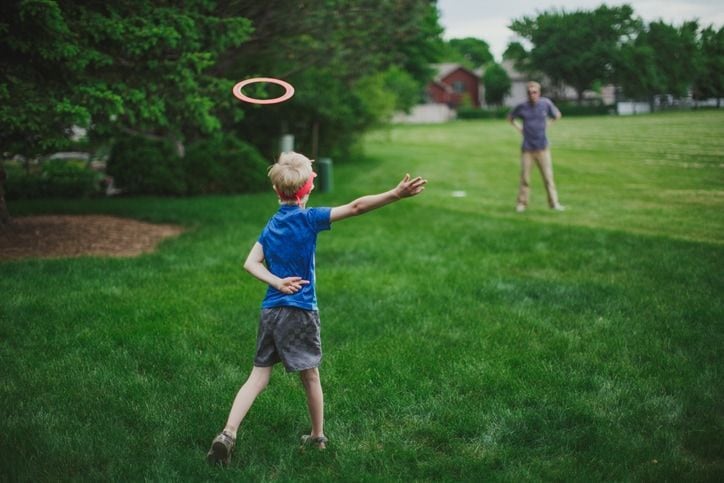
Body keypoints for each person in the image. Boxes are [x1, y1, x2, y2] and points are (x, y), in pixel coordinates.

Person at [207, 151, 427, 466]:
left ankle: (228, 433)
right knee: (310, 376)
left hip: (271, 310)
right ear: (308, 189)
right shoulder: (309, 219)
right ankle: (317, 436)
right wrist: (395, 194)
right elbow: (355, 207)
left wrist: (277, 282)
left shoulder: (272, 225)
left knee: (257, 376)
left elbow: (250, 263)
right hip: (299, 311)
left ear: (275, 191)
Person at [507, 81, 565, 212]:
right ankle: (522, 204)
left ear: (539, 93)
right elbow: (510, 118)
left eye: (534, 92)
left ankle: (554, 203)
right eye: (529, 92)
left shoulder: (546, 104)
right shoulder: (522, 107)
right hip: (527, 149)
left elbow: (557, 115)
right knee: (525, 179)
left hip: (543, 148)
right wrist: (519, 128)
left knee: (548, 178)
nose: (532, 94)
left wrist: (548, 125)